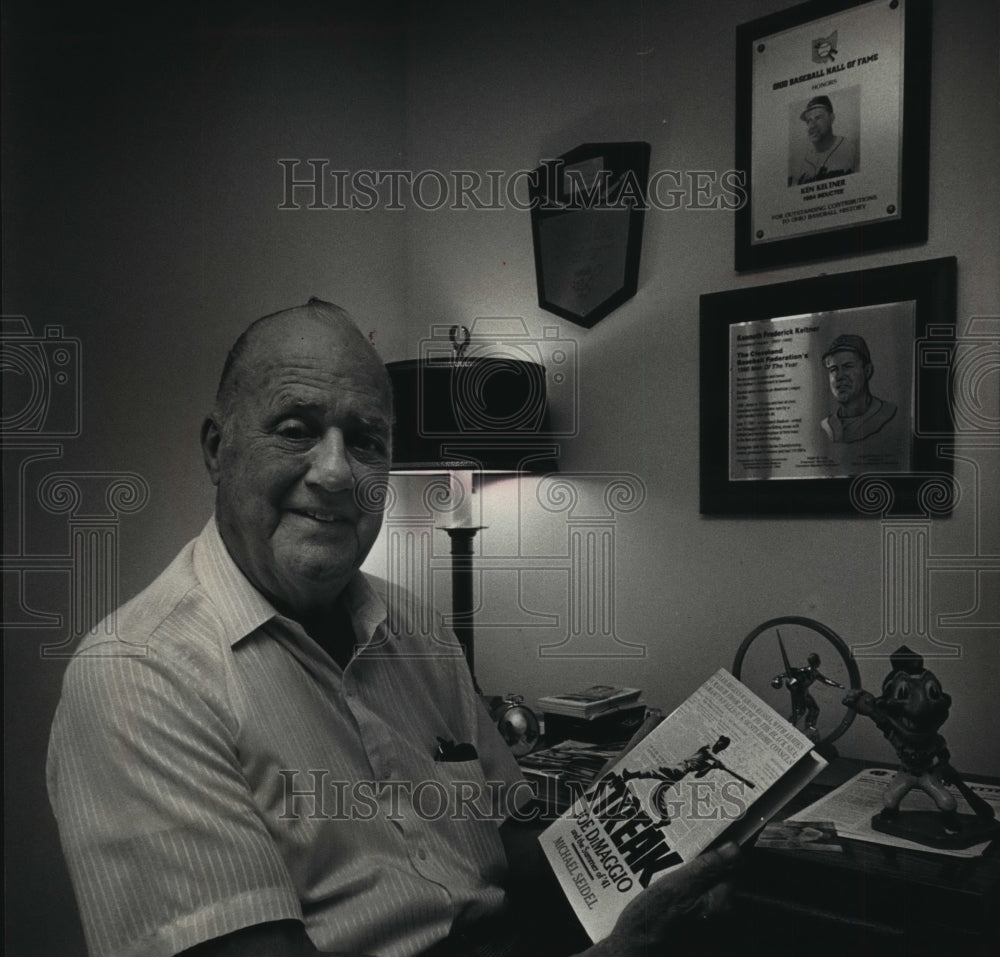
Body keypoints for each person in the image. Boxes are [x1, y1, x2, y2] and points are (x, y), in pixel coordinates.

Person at [47, 299, 737, 957]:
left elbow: (517, 837)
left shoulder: (418, 629)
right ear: (216, 448)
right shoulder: (137, 678)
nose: (338, 471)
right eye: (296, 428)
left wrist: (645, 841)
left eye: (368, 440)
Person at [819, 334, 898, 444]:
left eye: (848, 366)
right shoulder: (827, 425)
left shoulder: (887, 414)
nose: (839, 376)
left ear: (867, 371)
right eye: (833, 369)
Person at [789, 95, 858, 186]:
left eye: (818, 118)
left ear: (831, 118)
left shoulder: (850, 149)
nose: (812, 126)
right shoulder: (800, 161)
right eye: (809, 121)